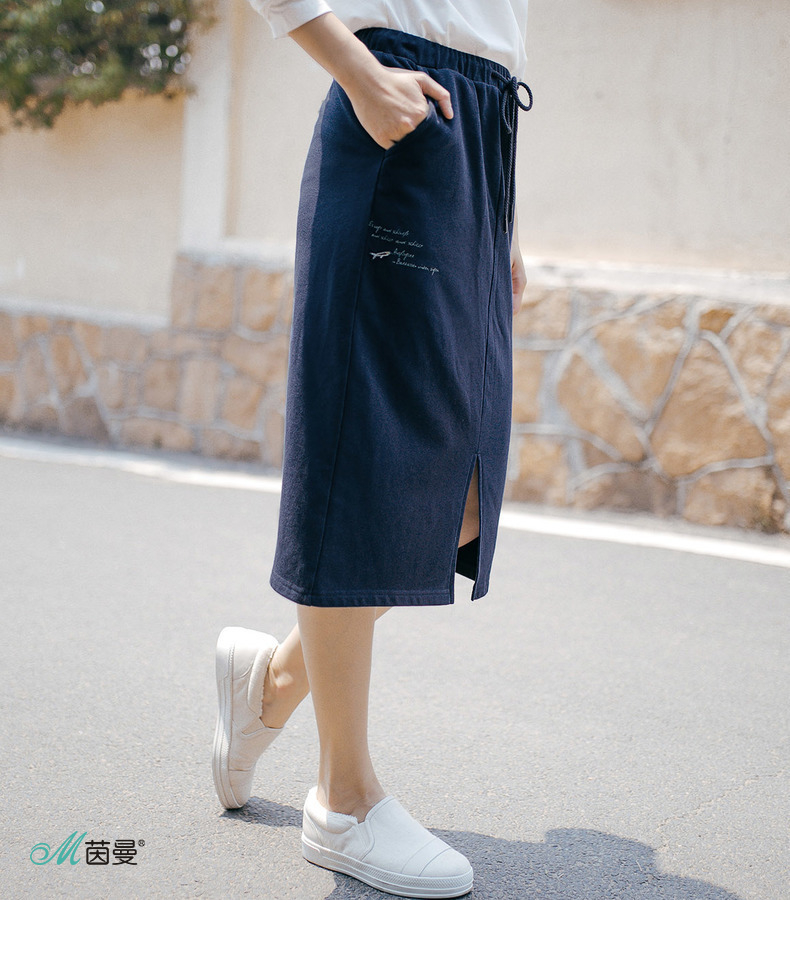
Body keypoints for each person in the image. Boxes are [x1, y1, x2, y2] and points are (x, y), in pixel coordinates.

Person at [212, 0, 531, 899]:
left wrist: (504, 214)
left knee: (460, 489)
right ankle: (342, 798)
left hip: (478, 136)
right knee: (364, 457)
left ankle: (271, 683)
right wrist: (356, 71)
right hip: (397, 101)